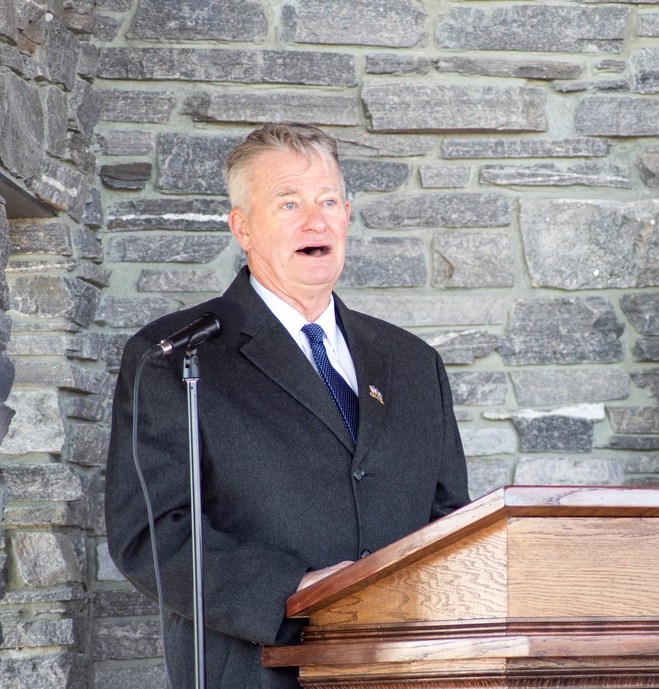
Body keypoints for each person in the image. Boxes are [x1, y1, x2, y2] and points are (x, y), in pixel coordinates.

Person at [104, 122, 470, 689]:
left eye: (328, 201)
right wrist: (293, 591)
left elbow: (451, 521)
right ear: (242, 227)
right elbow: (150, 534)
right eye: (288, 203)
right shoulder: (176, 355)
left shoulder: (413, 361)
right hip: (257, 669)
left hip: (407, 670)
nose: (315, 220)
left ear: (347, 215)